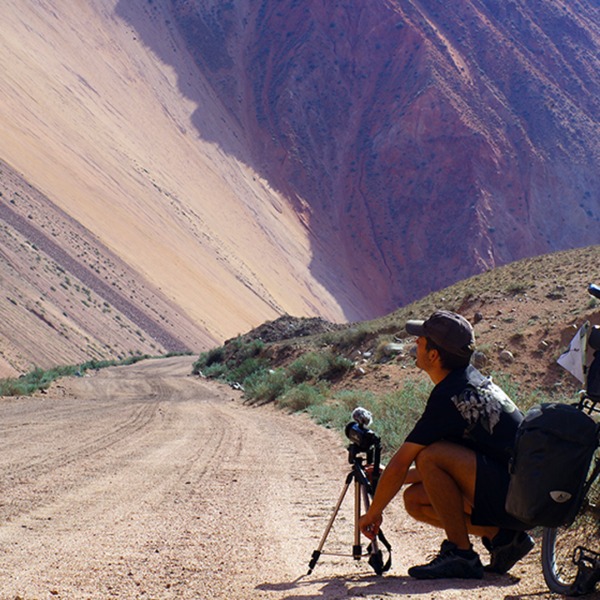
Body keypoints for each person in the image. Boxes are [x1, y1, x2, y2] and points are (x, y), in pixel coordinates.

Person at [359, 310, 534, 579]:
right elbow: (454, 467)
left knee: (430, 456)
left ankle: (461, 554)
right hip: (517, 493)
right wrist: (392, 478)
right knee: (415, 500)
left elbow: (403, 462)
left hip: (514, 498)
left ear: (433, 355)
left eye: (421, 339)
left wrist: (373, 514)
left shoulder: (450, 395)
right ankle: (503, 538)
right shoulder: (467, 379)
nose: (415, 342)